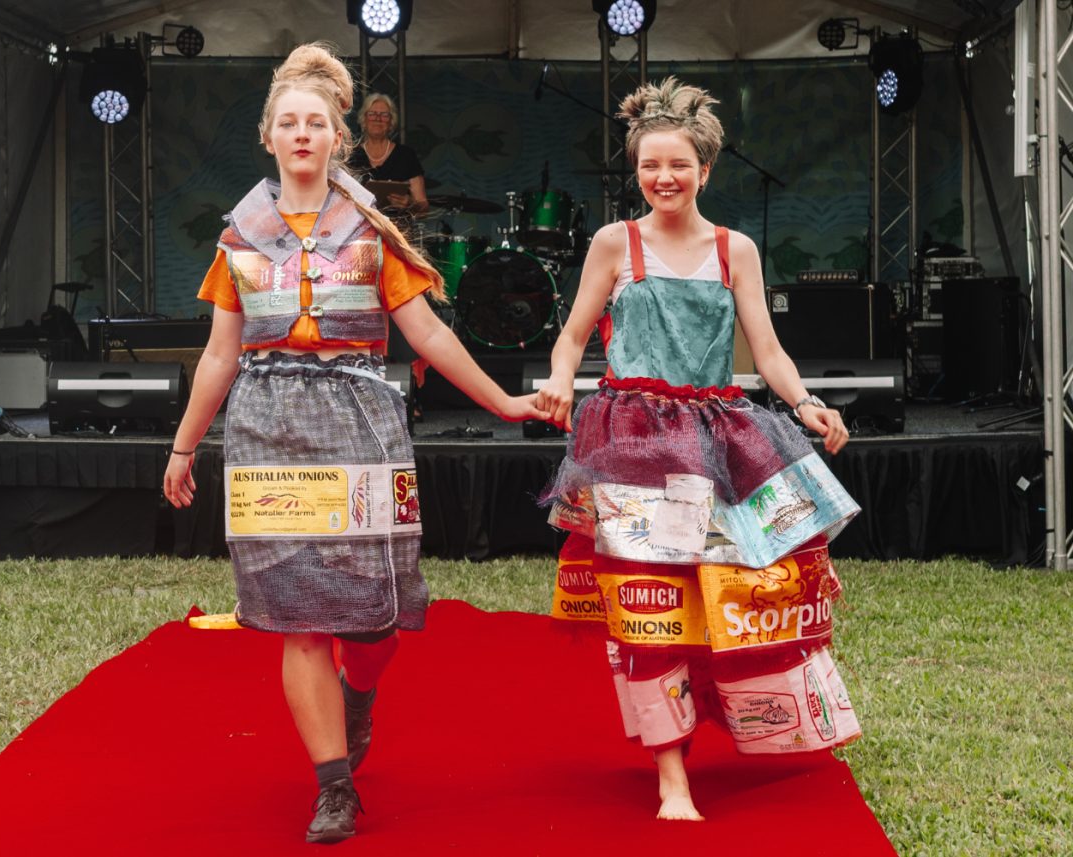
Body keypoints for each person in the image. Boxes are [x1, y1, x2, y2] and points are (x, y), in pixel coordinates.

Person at [163, 43, 545, 845]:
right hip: (266, 426)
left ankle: (360, 693)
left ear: (338, 138)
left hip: (362, 423)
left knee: (371, 624)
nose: (303, 134)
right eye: (288, 122)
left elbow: (429, 335)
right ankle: (334, 785)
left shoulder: (370, 233)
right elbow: (220, 354)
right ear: (268, 137)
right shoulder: (238, 239)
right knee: (299, 616)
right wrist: (182, 446)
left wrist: (505, 399)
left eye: (317, 123)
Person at [536, 77, 862, 822]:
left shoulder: (735, 248)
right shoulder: (613, 243)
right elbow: (573, 335)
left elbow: (769, 351)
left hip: (720, 438)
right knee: (651, 606)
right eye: (650, 166)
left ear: (705, 169)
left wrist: (806, 401)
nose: (663, 178)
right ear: (638, 171)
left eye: (678, 165)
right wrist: (559, 380)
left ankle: (742, 719)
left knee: (737, 593)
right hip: (633, 443)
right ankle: (671, 777)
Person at [348, 92, 429, 216]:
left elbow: (423, 207)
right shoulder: (351, 156)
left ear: (391, 121)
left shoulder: (406, 155)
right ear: (363, 119)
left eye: (384, 115)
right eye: (372, 114)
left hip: (397, 231)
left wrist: (409, 203)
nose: (378, 118)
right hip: (360, 231)